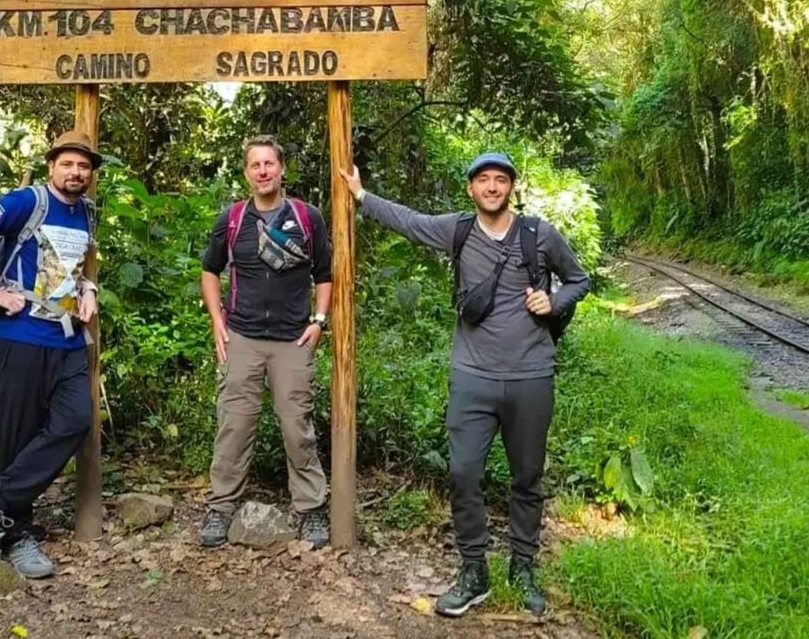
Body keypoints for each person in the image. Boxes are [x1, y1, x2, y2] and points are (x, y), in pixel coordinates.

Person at [342, 153, 590, 618]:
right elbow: (410, 222)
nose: (492, 187)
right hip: (472, 375)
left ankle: (523, 566)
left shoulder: (539, 234)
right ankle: (474, 569)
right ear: (470, 189)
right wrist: (361, 196)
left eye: (500, 180)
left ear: (511, 187)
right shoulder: (458, 230)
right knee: (463, 474)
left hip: (530, 375)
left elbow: (580, 280)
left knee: (527, 477)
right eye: (483, 180)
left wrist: (553, 301)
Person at [0, 131, 101, 579]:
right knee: (12, 436)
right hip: (22, 334)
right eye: (68, 164)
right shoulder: (26, 200)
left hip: (70, 338)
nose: (76, 172)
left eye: (84, 166)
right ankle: (16, 535)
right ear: (52, 165)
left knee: (75, 420)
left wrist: (88, 289)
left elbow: (73, 266)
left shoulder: (87, 211)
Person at [197, 135, 333, 549]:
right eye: (255, 165)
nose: (263, 171)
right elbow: (210, 270)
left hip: (293, 340)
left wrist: (320, 321)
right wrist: (216, 318)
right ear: (246, 173)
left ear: (281, 167)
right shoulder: (233, 219)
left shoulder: (307, 216)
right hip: (243, 337)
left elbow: (325, 274)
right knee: (234, 424)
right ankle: (221, 506)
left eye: (269, 163)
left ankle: (311, 509)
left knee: (297, 427)